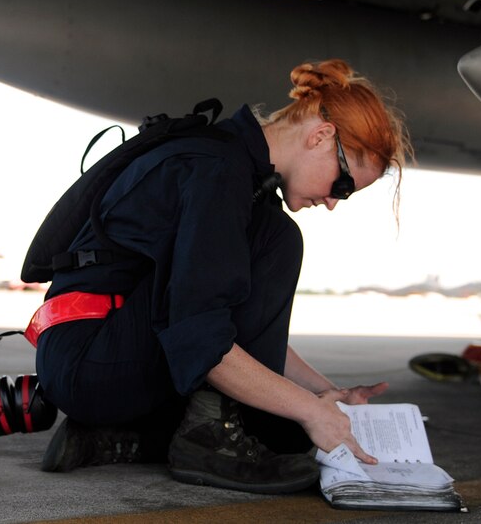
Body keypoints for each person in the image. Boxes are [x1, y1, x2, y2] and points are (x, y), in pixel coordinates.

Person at [33, 59, 410, 495]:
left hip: (90, 356)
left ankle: (115, 437)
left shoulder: (235, 170)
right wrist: (311, 410)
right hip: (92, 358)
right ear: (321, 136)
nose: (332, 202)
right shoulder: (221, 172)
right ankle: (206, 443)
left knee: (286, 432)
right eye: (342, 185)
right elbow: (202, 335)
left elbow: (235, 326)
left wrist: (328, 395)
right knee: (280, 239)